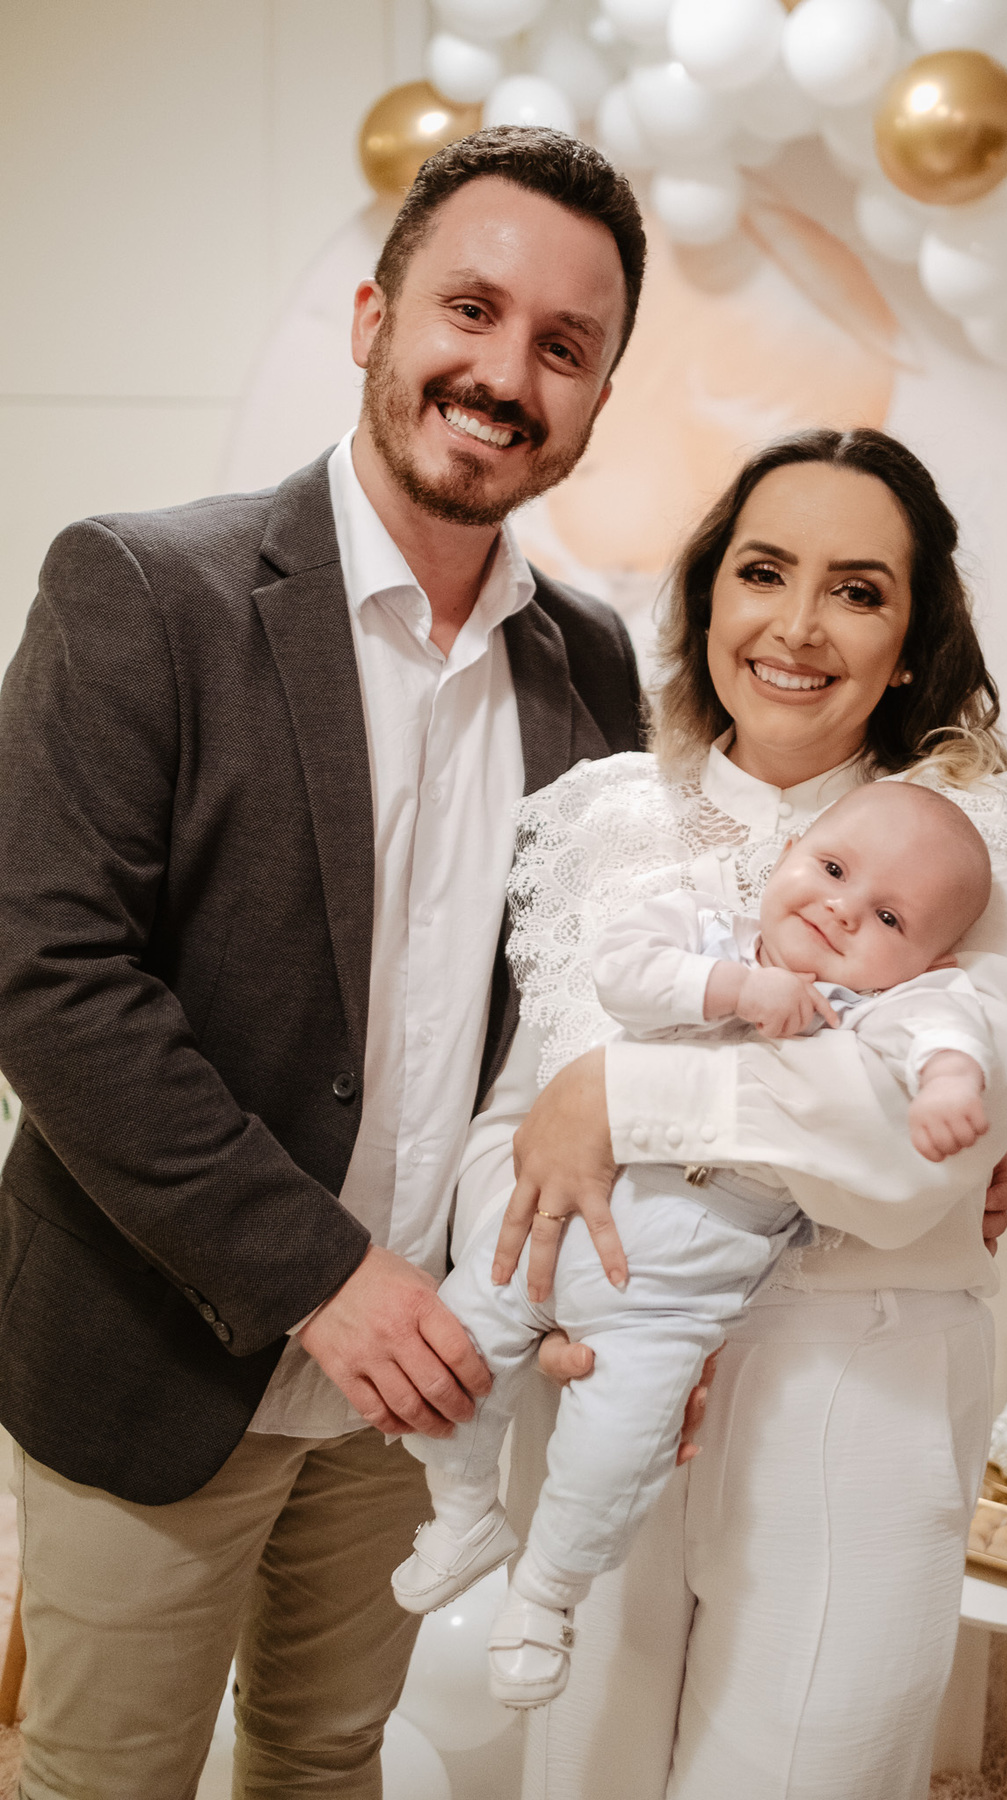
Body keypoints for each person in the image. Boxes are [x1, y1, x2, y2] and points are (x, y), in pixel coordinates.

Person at [0, 127, 647, 1798]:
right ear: (373, 318)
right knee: (106, 1780)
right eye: (472, 310)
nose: (506, 375)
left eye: (564, 347)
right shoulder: (143, 587)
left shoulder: (592, 667)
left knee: (328, 1755)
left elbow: (601, 993)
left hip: (417, 1394)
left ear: (596, 393)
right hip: (164, 1355)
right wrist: (324, 1278)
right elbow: (51, 982)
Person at [447, 427, 1007, 1800]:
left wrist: (621, 1094)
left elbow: (909, 1148)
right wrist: (545, 1278)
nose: (796, 626)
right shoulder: (596, 818)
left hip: (860, 1396)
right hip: (612, 1379)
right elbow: (508, 1134)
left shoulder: (978, 832)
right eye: (762, 572)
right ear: (707, 597)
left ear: (912, 639)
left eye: (857, 589)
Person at [390, 780, 1000, 1709]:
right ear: (789, 854)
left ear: (926, 957)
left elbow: (948, 1033)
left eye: (885, 915)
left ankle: (544, 1600)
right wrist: (737, 989)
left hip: (671, 1296)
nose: (841, 908)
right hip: (558, 1228)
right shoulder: (707, 925)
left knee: (613, 1456)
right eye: (831, 870)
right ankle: (464, 1515)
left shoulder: (879, 1008)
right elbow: (620, 974)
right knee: (456, 1360)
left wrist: (951, 1084)